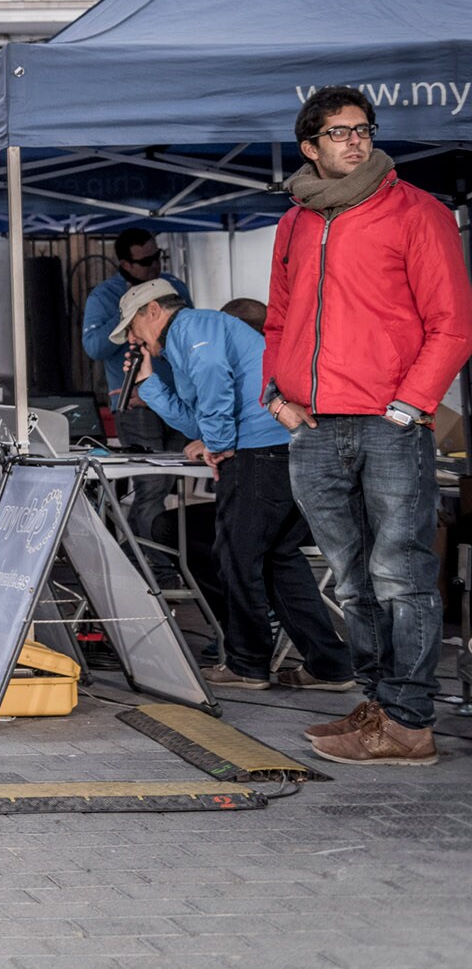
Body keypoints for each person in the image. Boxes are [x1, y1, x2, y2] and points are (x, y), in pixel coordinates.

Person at [264, 86, 472, 766]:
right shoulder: (296, 222)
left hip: (388, 424)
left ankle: (410, 721)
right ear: (311, 146)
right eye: (339, 131)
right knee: (351, 579)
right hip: (315, 428)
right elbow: (280, 318)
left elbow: (452, 324)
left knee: (400, 574)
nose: (355, 140)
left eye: (363, 129)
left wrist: (409, 405)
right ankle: (378, 704)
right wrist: (276, 393)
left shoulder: (418, 212)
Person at [114, 280, 354, 693]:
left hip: (261, 451)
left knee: (237, 557)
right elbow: (195, 422)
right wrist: (148, 383)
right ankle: (329, 666)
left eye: (132, 327)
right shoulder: (186, 342)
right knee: (278, 557)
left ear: (153, 310)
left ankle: (248, 665)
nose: (132, 339)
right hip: (275, 449)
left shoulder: (193, 327)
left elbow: (212, 379)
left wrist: (220, 443)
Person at [82, 227, 193, 578]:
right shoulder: (105, 295)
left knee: (183, 478)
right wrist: (132, 313)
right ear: (124, 263)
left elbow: (187, 332)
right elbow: (95, 348)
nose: (153, 267)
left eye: (157, 257)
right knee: (151, 485)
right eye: (145, 262)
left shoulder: (172, 286)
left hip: (177, 398)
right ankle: (148, 567)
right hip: (134, 401)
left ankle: (174, 561)